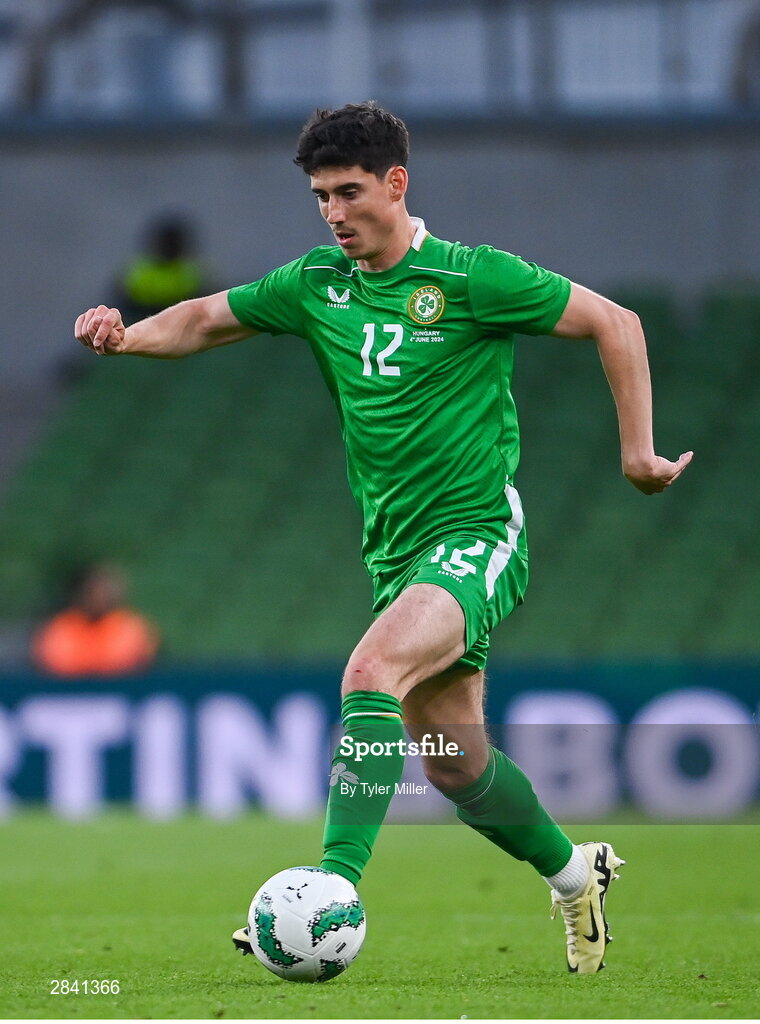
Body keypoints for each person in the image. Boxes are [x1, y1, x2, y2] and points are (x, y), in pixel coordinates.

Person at [74, 101, 692, 974]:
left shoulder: (473, 278)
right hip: (397, 553)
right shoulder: (316, 285)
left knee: (369, 671)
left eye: (350, 192)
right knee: (451, 762)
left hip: (477, 534)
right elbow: (206, 318)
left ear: (396, 184)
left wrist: (637, 453)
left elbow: (616, 322)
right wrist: (127, 335)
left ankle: (330, 889)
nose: (334, 213)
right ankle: (573, 876)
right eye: (321, 197)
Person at [32, 562, 159, 677]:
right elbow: (56, 664)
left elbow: (131, 663)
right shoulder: (61, 627)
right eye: (93, 591)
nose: (98, 597)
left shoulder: (130, 626)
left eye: (104, 591)